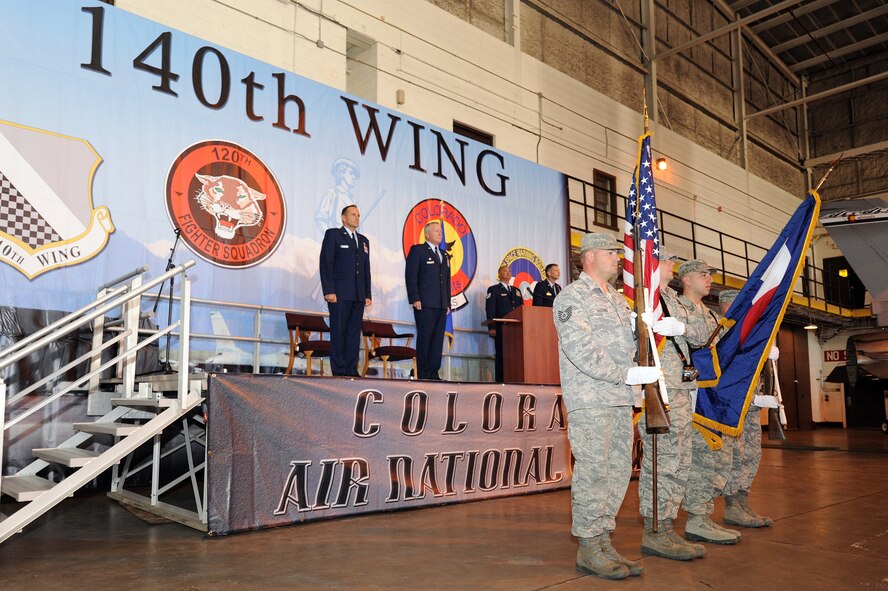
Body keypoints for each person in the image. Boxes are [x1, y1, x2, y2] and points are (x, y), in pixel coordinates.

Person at [553, 232, 660, 580]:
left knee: (616, 474)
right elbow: (580, 349)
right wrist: (627, 374)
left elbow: (629, 348)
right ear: (589, 256)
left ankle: (603, 540)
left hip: (619, 399)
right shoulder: (572, 297)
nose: (618, 257)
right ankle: (587, 546)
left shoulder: (617, 300)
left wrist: (644, 332)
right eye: (611, 252)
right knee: (594, 471)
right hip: (591, 398)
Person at [637, 251, 705, 561]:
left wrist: (682, 328)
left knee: (680, 462)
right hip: (657, 392)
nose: (670, 264)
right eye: (664, 259)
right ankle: (655, 530)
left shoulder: (674, 300)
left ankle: (667, 527)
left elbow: (703, 335)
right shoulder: (639, 295)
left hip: (681, 393)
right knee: (661, 463)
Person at [673, 260, 741, 545]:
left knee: (714, 458)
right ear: (686, 279)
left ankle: (702, 517)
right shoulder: (675, 309)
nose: (709, 279)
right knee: (697, 459)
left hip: (710, 398)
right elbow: (696, 342)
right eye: (703, 274)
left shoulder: (712, 317)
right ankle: (697, 519)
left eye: (711, 274)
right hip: (686, 395)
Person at [718, 289, 777, 529]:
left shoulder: (749, 332)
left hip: (751, 407)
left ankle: (742, 502)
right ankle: (732, 506)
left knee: (751, 455)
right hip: (733, 408)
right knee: (735, 457)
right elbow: (726, 375)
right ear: (727, 306)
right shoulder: (722, 332)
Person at [319, 205, 372, 376]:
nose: (357, 217)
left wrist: (367, 293)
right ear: (343, 217)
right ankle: (339, 370)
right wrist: (329, 290)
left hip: (358, 295)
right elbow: (326, 264)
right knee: (339, 332)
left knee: (353, 334)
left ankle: (351, 370)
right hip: (339, 294)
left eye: (358, 214)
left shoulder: (364, 241)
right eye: (353, 214)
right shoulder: (333, 235)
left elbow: (366, 270)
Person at [405, 221, 450, 380]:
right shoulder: (418, 250)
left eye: (440, 231)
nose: (440, 233)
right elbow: (411, 276)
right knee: (425, 338)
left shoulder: (444, 255)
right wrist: (415, 297)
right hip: (424, 303)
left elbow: (446, 281)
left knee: (437, 340)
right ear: (427, 234)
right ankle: (423, 373)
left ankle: (433, 372)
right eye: (436, 231)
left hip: (441, 304)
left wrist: (448, 303)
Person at [485, 265, 523, 383]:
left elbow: (522, 309)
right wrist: (492, 327)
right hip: (501, 328)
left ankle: (515, 379)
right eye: (504, 270)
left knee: (516, 355)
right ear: (499, 275)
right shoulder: (494, 289)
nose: (508, 272)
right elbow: (490, 309)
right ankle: (500, 381)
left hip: (516, 328)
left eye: (509, 270)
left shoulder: (517, 291)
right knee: (502, 355)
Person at [315, 158, 360, 233]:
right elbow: (321, 219)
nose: (354, 177)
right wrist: (333, 238)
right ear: (342, 173)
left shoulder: (354, 201)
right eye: (351, 173)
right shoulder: (333, 193)